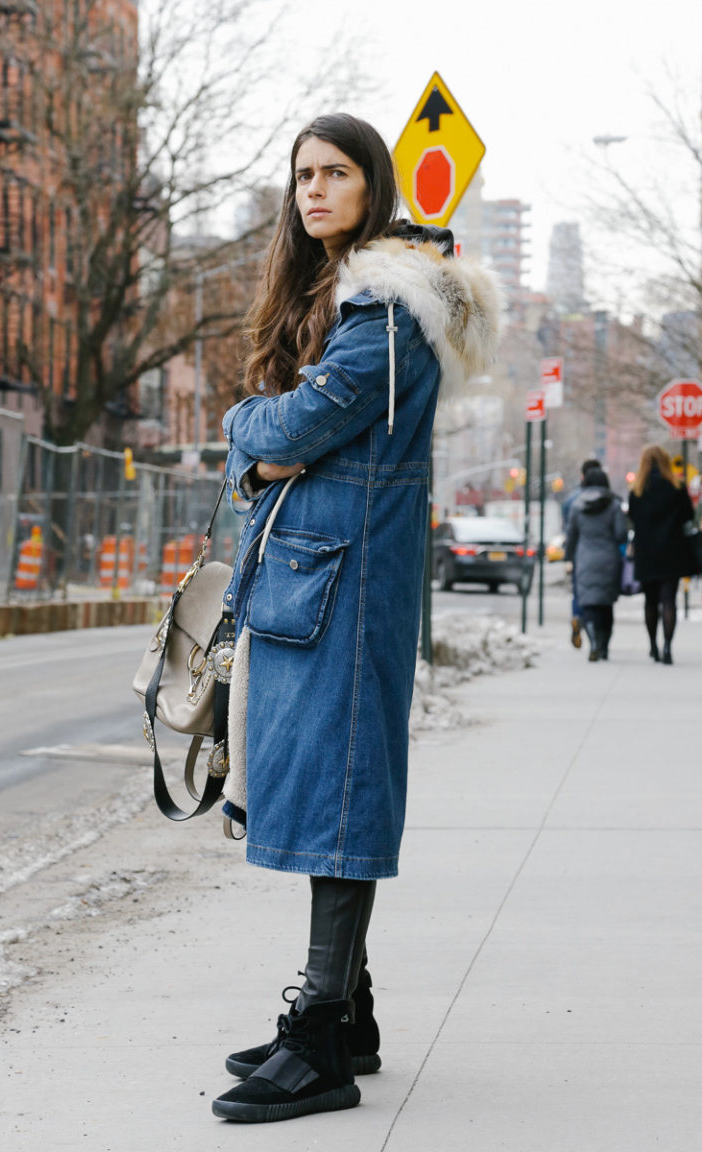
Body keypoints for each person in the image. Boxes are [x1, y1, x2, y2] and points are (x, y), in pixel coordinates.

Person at [210, 113, 500, 1123]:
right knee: (319, 790)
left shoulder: (385, 311)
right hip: (313, 579)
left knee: (338, 800)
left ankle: (321, 1040)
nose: (315, 191)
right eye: (302, 176)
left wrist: (248, 427)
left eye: (336, 173)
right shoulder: (350, 300)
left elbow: (289, 423)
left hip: (346, 582)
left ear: (373, 185)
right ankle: (350, 1016)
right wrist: (275, 442)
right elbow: (290, 439)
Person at [628, 444, 694, 664]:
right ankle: (667, 647)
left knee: (650, 601)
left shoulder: (636, 491)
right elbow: (688, 516)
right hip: (673, 551)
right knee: (669, 600)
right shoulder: (676, 487)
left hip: (646, 552)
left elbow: (633, 520)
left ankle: (653, 646)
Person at [564, 466, 627, 661]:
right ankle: (604, 646)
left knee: (589, 604)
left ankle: (593, 643)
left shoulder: (576, 506)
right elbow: (621, 534)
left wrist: (568, 558)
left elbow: (571, 535)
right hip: (609, 558)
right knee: (606, 606)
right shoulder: (614, 505)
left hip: (585, 559)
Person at [561, 457, 601, 649]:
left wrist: (567, 556)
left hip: (579, 553)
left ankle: (578, 617)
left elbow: (568, 532)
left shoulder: (571, 501)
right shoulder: (607, 498)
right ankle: (594, 631)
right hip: (603, 555)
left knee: (579, 591)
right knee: (600, 594)